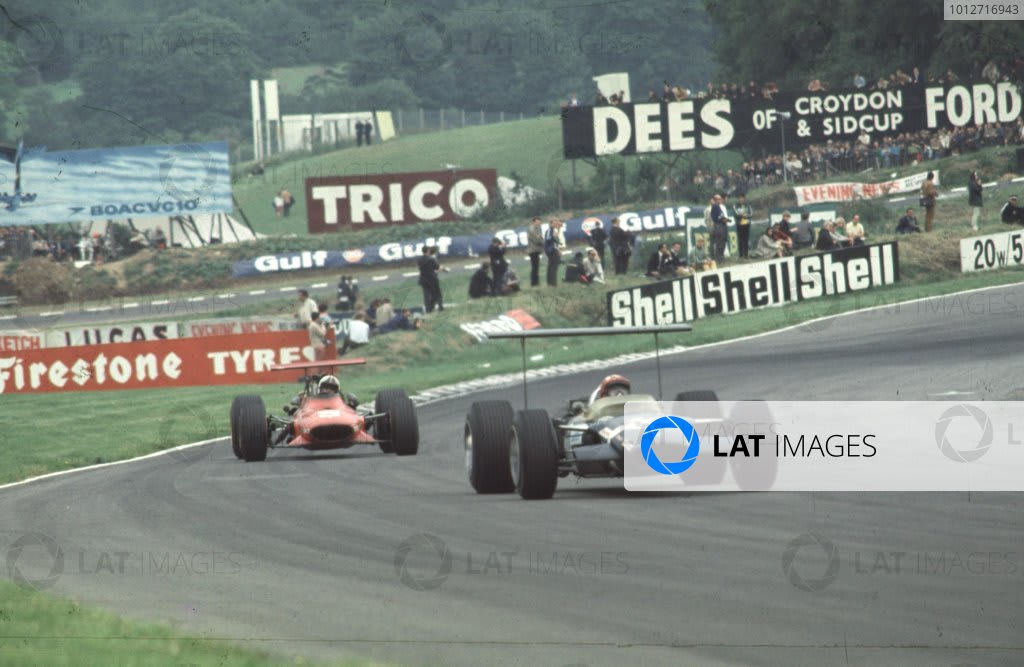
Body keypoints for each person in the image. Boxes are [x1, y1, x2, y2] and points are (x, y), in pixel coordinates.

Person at [417, 246, 442, 313]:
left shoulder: (419, 259)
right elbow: (437, 268)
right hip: (432, 279)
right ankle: (440, 307)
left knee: (426, 295)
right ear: (428, 251)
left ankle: (428, 309)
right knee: (437, 294)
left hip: (423, 279)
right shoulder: (431, 259)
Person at [544, 218, 566, 286]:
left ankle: (551, 283)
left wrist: (559, 245)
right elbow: (548, 239)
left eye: (556, 223)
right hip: (551, 250)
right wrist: (553, 237)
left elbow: (556, 241)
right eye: (554, 223)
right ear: (550, 224)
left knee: (552, 267)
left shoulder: (554, 230)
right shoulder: (549, 230)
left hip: (553, 249)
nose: (555, 224)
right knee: (553, 267)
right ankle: (553, 283)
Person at [709, 194, 730, 262]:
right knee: (719, 242)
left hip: (722, 224)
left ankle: (721, 256)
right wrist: (723, 219)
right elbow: (716, 217)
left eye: (720, 199)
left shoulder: (719, 206)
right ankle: (718, 258)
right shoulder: (715, 206)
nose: (720, 200)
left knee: (723, 241)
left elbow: (721, 216)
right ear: (715, 200)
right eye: (719, 199)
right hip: (719, 225)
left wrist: (725, 219)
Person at [732, 193, 752, 258]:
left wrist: (745, 215)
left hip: (746, 224)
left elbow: (751, 214)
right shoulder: (736, 206)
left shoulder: (748, 205)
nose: (741, 199)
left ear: (744, 198)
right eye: (739, 198)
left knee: (746, 239)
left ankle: (746, 254)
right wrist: (743, 215)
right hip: (739, 224)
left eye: (742, 198)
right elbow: (736, 214)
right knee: (740, 240)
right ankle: (741, 255)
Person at [526, 217, 544, 287]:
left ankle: (536, 282)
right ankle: (534, 283)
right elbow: (537, 239)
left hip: (537, 250)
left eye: (539, 222)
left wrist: (541, 239)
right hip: (532, 250)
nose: (539, 223)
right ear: (533, 222)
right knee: (534, 267)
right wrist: (544, 242)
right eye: (537, 222)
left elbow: (540, 237)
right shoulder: (531, 229)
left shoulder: (538, 228)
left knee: (536, 267)